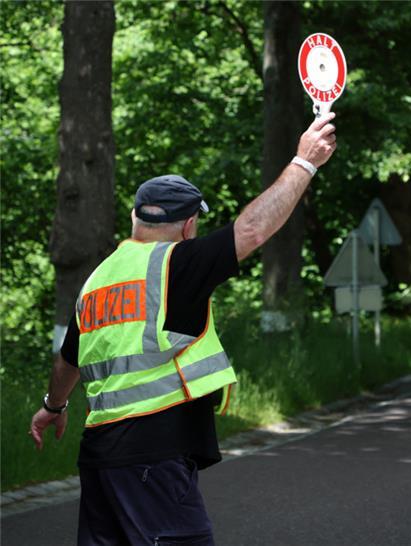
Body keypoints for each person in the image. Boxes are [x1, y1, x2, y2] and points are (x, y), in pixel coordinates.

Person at [29, 113, 337, 545]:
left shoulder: (97, 280)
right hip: (152, 457)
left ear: (135, 215)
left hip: (99, 458)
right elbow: (250, 230)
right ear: (190, 225)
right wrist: (305, 162)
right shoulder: (177, 263)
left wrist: (53, 407)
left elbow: (68, 359)